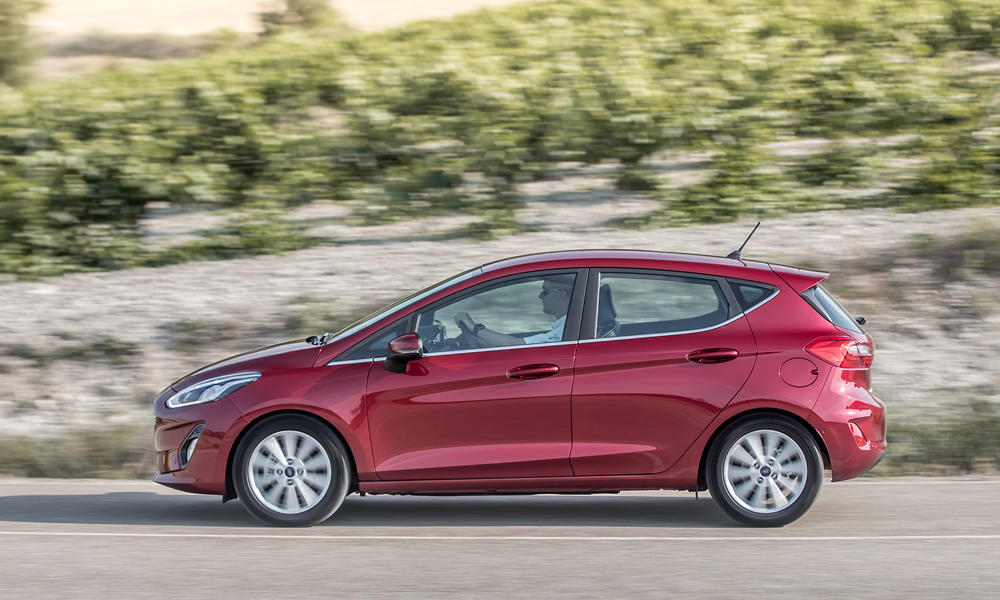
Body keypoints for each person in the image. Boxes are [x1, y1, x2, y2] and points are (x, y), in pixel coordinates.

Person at [454, 275, 574, 347]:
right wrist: (485, 343)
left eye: (545, 291)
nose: (540, 296)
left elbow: (516, 345)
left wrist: (474, 327)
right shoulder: (570, 329)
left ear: (561, 295)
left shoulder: (565, 332)